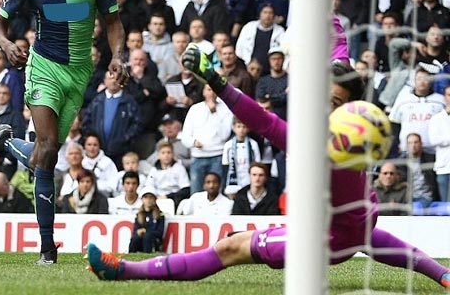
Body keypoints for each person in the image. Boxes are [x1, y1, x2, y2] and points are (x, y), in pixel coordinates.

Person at [85, 45, 450, 289]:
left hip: (325, 240)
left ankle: (122, 270)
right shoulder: (354, 125)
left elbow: (262, 121)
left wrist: (215, 80)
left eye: (333, 100)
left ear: (349, 105)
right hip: (356, 222)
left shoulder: (324, 146)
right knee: (378, 242)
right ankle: (444, 274)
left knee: (230, 248)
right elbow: (338, 43)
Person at [0, 0, 127, 265]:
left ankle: (8, 141)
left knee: (45, 157)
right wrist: (8, 45)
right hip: (44, 67)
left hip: (79, 73)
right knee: (45, 149)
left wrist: (118, 56)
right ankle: (47, 248)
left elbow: (113, 22)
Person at [128, 186, 164, 253]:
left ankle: (147, 254)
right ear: (142, 199)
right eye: (146, 197)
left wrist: (146, 231)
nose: (148, 200)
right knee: (136, 237)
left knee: (147, 236)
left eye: (151, 197)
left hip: (154, 242)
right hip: (141, 241)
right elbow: (135, 231)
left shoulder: (160, 215)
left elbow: (160, 233)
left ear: (155, 199)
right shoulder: (139, 214)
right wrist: (139, 232)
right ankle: (131, 254)